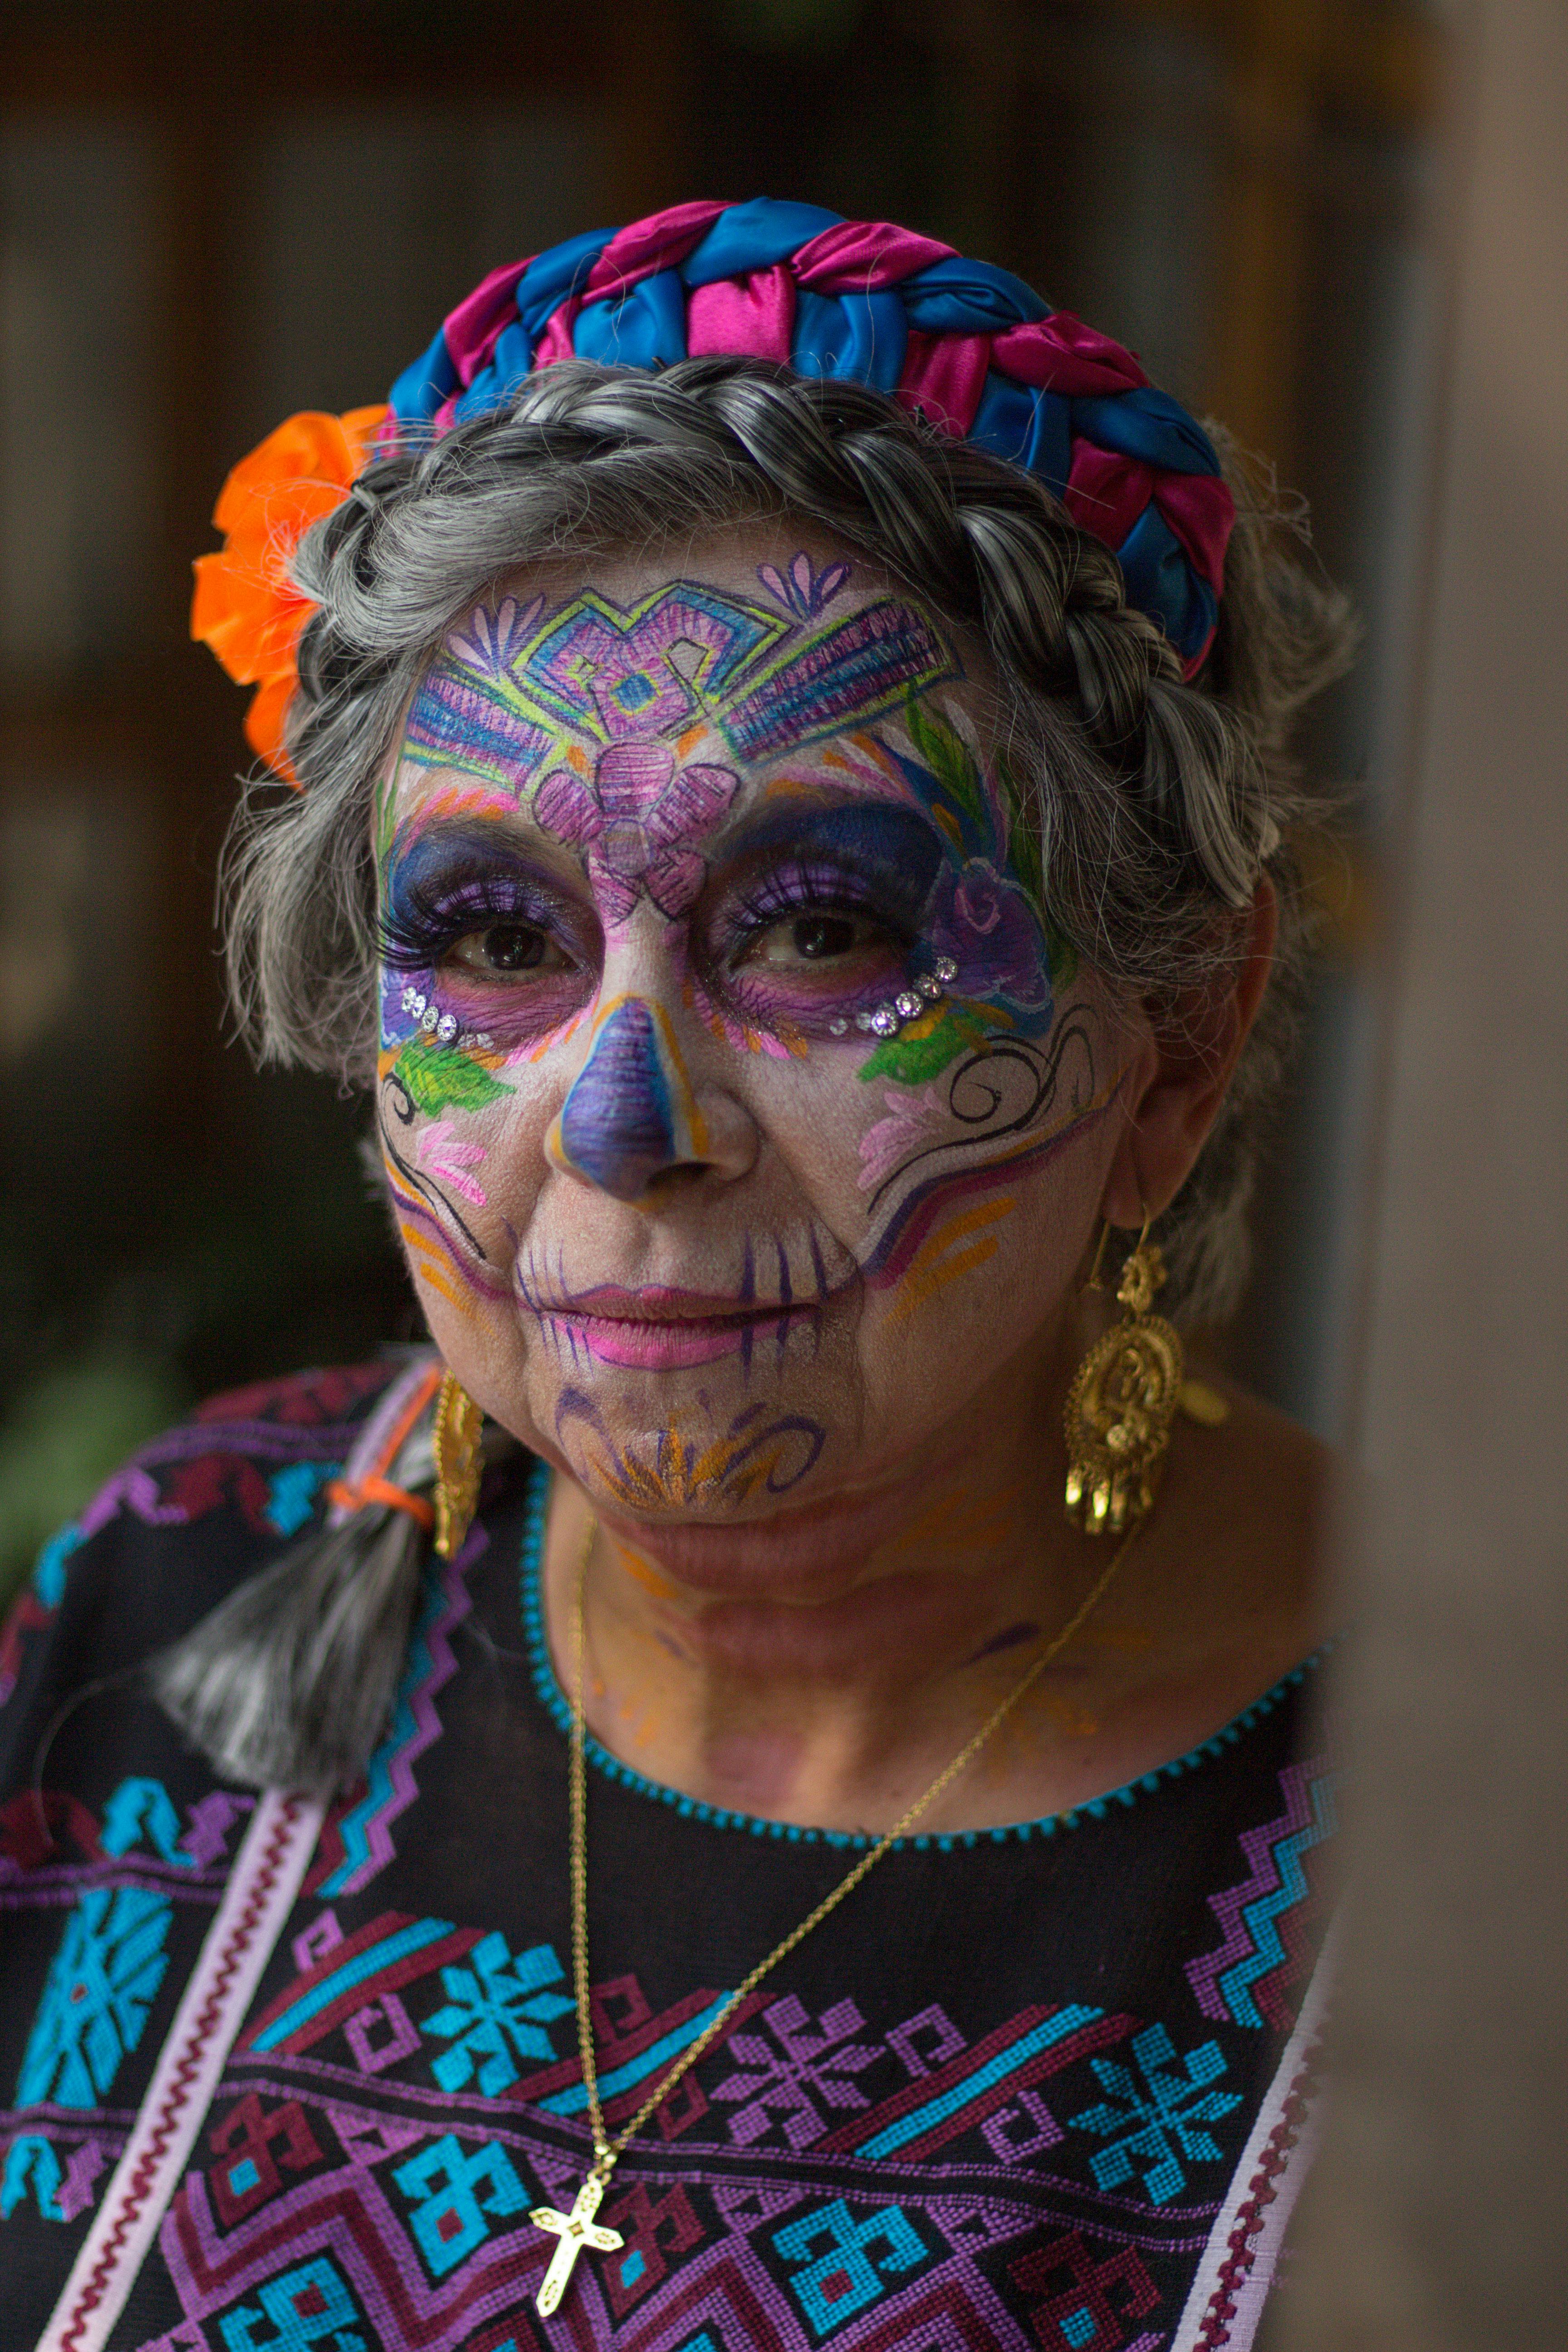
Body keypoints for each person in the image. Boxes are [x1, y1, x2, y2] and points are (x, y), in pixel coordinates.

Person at [0, 200, 1349, 2351]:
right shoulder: (177, 1606)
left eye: (819, 925)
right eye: (494, 936)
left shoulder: (1468, 1832)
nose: (624, 1119)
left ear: (1173, 1045)